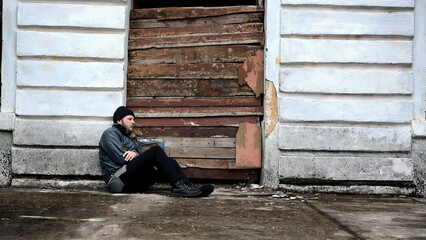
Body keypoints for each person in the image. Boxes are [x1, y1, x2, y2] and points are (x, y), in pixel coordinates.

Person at [99, 106, 214, 197]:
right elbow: (122, 159)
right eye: (129, 119)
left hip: (131, 181)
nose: (133, 122)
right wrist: (137, 154)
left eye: (134, 119)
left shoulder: (131, 137)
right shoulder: (110, 134)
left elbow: (140, 154)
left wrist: (135, 153)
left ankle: (186, 186)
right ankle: (180, 187)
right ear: (119, 120)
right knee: (155, 150)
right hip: (117, 181)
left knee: (170, 162)